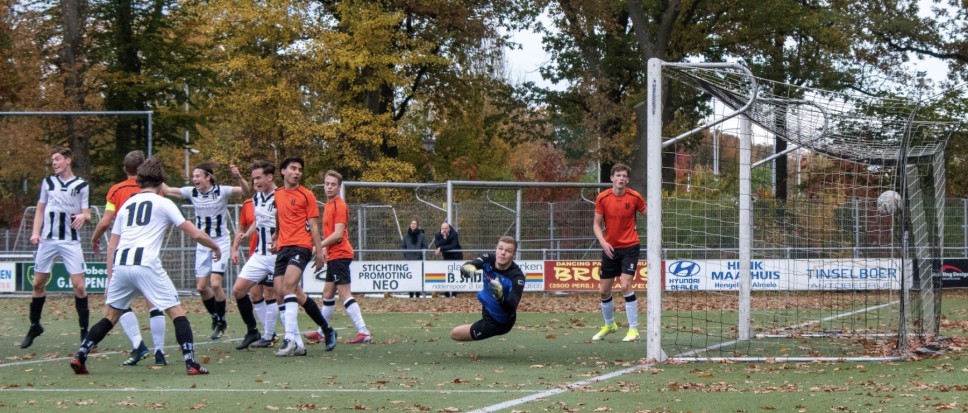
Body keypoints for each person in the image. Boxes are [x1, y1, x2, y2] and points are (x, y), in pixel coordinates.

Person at [71, 156, 214, 376]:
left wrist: (101, 252)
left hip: (122, 264)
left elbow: (114, 240)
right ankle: (191, 362)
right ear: (161, 181)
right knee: (176, 312)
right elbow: (194, 233)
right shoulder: (164, 202)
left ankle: (81, 355)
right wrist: (216, 247)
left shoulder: (127, 204)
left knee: (110, 316)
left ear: (140, 180)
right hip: (146, 264)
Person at [90, 150, 167, 366]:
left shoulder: (116, 190)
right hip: (148, 253)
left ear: (125, 169)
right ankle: (159, 352)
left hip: (124, 254)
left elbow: (105, 222)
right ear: (143, 169)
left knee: (118, 304)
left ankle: (138, 345)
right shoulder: (155, 192)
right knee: (154, 303)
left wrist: (95, 238)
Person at [160, 161, 249, 340]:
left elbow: (245, 191)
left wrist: (239, 177)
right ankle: (215, 317)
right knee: (202, 287)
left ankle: (222, 320)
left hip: (221, 241)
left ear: (208, 177)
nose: (195, 179)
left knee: (215, 284)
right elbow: (168, 190)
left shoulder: (221, 191)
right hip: (203, 243)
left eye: (198, 176)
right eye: (193, 177)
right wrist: (154, 173)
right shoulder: (192, 192)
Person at [21, 146, 91, 349]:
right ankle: (35, 326)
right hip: (48, 240)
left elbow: (87, 214)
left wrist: (82, 216)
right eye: (53, 160)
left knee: (79, 286)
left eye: (58, 159)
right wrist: (35, 233)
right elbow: (40, 209)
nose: (54, 163)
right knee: (37, 284)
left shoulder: (81, 185)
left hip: (70, 242)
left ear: (68, 160)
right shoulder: (48, 182)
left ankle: (84, 333)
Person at [271, 156, 336, 356]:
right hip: (283, 247)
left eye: (299, 169)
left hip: (301, 246)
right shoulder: (278, 194)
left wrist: (318, 252)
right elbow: (279, 215)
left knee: (288, 286)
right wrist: (276, 234)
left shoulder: (306, 195)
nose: (297, 172)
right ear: (283, 171)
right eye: (293, 168)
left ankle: (290, 339)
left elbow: (314, 227)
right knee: (285, 294)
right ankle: (326, 329)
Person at [306, 170, 372, 344]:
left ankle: (363, 331)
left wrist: (318, 247)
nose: (329, 187)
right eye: (327, 184)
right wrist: (325, 251)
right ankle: (322, 331)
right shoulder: (328, 205)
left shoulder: (339, 205)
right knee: (327, 294)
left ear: (339, 186)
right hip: (334, 255)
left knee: (345, 294)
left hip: (341, 255)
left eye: (333, 184)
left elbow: (338, 234)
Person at [591, 163, 646, 343]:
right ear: (612, 178)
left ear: (628, 180)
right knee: (603, 291)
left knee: (625, 286)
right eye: (618, 175)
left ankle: (633, 330)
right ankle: (610, 325)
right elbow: (596, 225)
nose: (621, 178)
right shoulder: (603, 197)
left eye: (624, 176)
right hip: (610, 248)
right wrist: (604, 243)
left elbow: (651, 215)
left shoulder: (635, 197)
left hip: (630, 246)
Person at [230, 160, 281, 350]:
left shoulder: (281, 196)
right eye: (253, 179)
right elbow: (258, 221)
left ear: (269, 177)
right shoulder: (257, 198)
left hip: (277, 255)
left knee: (287, 295)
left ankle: (324, 329)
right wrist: (246, 235)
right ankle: (253, 331)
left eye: (258, 178)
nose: (256, 182)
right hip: (259, 255)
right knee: (239, 290)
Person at [450, 236, 525, 341]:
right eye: (500, 248)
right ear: (496, 249)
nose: (503, 252)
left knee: (455, 334)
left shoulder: (517, 277)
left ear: (514, 255)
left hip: (499, 322)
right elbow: (471, 264)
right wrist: (467, 268)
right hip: (487, 308)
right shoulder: (489, 259)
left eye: (508, 251)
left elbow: (512, 307)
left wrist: (500, 298)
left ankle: (477, 326)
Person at [400, 218, 427, 298]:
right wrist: (406, 254)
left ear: (417, 225)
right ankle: (411, 294)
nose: (413, 225)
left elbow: (425, 246)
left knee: (418, 278)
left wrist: (421, 255)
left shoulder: (421, 236)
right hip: (409, 260)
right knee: (410, 278)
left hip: (419, 260)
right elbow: (402, 247)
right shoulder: (406, 236)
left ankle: (418, 294)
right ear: (410, 225)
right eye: (412, 223)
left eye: (415, 223)